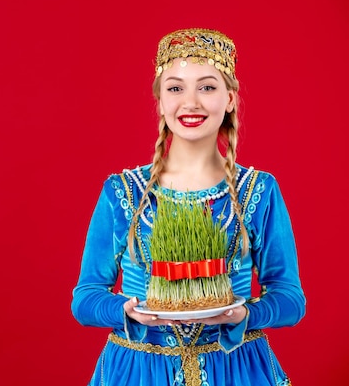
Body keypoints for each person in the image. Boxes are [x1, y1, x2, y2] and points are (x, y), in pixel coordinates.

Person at [71, 28, 306, 386]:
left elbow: (290, 299)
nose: (190, 102)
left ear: (229, 98)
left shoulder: (258, 191)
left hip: (237, 369)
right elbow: (85, 299)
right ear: (161, 100)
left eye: (207, 87)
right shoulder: (123, 192)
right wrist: (127, 312)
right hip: (139, 370)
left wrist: (244, 314)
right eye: (176, 88)